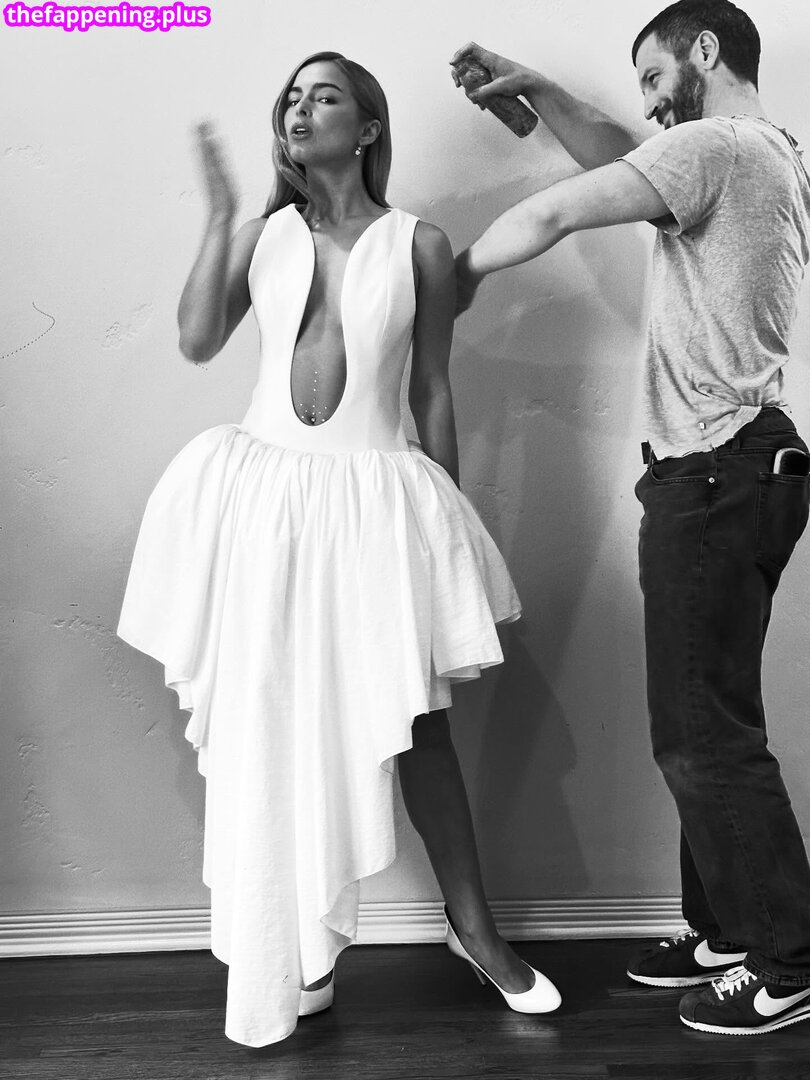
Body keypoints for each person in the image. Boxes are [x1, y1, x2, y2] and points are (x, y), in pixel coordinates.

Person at [117, 51, 561, 1048]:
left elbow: (433, 390)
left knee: (416, 725)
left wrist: (446, 528)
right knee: (267, 724)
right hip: (266, 503)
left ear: (366, 128)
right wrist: (219, 214)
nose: (299, 107)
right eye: (290, 95)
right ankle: (298, 955)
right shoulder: (265, 234)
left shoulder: (420, 245)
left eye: (323, 95)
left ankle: (475, 934)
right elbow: (196, 338)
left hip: (371, 502)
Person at [452, 0, 810, 1036]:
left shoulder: (715, 146)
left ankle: (789, 958)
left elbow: (560, 211)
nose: (650, 104)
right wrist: (539, 90)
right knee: (706, 721)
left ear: (707, 50)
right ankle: (728, 929)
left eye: (655, 76)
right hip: (743, 467)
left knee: (702, 734)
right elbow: (625, 154)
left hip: (713, 472)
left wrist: (451, 277)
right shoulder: (769, 153)